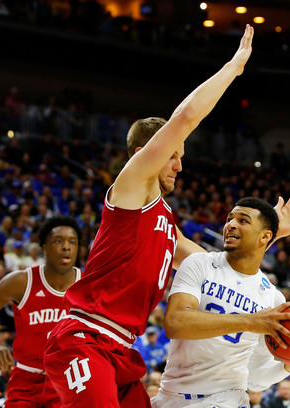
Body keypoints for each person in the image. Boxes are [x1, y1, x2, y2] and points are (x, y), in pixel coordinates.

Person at [43, 25, 257, 407]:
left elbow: (215, 265)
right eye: (174, 155)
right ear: (147, 152)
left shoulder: (164, 222)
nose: (179, 165)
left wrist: (269, 234)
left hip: (120, 350)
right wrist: (233, 69)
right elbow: (186, 117)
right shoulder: (132, 187)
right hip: (83, 339)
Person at [151, 197, 290, 408]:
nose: (231, 224)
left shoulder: (272, 299)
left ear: (265, 237)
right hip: (170, 396)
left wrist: (289, 366)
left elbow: (254, 379)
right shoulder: (200, 263)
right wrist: (249, 321)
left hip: (226, 400)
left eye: (243, 220)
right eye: (230, 219)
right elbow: (175, 323)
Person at [0, 216, 82, 408]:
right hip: (26, 378)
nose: (66, 247)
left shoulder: (87, 285)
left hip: (68, 379)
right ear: (45, 248)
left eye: (72, 242)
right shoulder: (22, 281)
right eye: (58, 241)